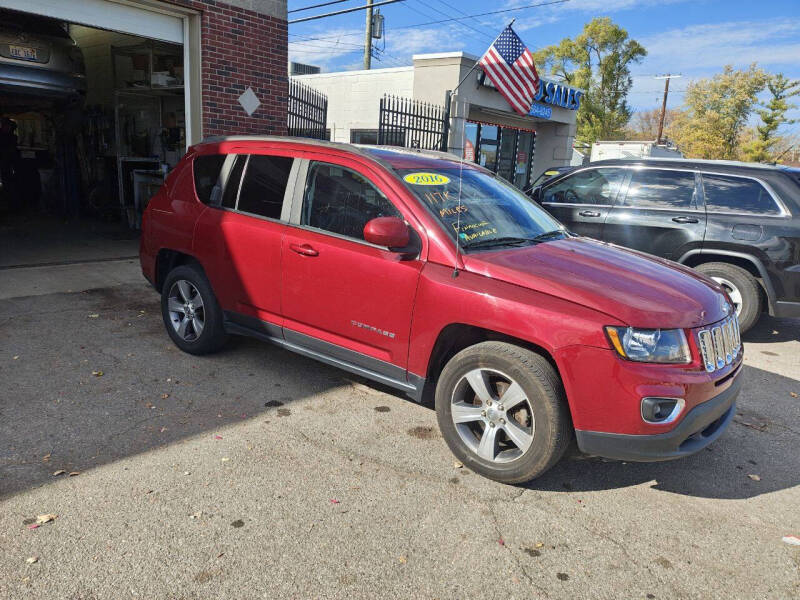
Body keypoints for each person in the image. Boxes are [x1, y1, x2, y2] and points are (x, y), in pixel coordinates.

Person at [0, 117, 20, 208]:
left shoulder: (13, 137)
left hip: (9, 161)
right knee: (6, 179)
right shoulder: (5, 136)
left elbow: (13, 149)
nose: (7, 128)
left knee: (9, 180)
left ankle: (10, 200)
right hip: (5, 160)